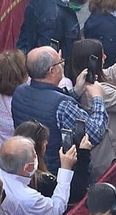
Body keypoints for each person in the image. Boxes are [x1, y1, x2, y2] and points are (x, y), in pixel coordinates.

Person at [10, 45, 107, 173]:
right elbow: (95, 134)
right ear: (52, 71)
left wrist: (76, 91)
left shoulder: (19, 92)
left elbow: (45, 100)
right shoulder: (63, 105)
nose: (62, 65)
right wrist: (98, 98)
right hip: (59, 172)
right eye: (60, 62)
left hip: (31, 166)